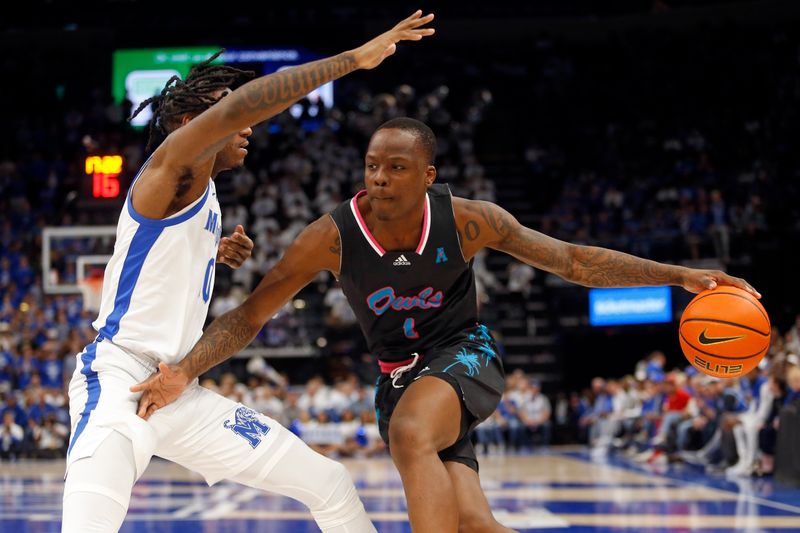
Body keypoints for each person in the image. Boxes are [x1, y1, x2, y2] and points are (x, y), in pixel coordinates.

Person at [132, 117, 760, 532]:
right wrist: (184, 370)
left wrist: (679, 275)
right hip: (396, 377)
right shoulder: (330, 237)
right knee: (472, 526)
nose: (379, 177)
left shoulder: (468, 220)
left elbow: (571, 261)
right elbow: (249, 316)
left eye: (397, 167)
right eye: (373, 165)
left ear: (428, 176)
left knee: (410, 434)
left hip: (466, 356)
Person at [62, 12, 435, 533]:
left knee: (331, 484)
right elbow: (249, 101)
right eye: (226, 114)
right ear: (192, 122)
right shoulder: (171, 168)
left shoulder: (199, 194)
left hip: (175, 385)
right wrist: (354, 59)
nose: (247, 126)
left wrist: (210, 252)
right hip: (120, 382)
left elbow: (158, 259)